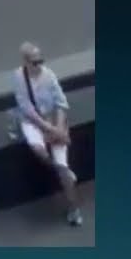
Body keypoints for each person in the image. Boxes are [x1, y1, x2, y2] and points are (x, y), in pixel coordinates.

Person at [13, 43, 83, 226]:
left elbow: (61, 103)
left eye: (40, 61)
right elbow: (27, 109)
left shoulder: (49, 75)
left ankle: (74, 209)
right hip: (34, 122)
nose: (39, 65)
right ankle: (62, 171)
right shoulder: (19, 77)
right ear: (26, 62)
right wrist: (49, 130)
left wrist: (58, 128)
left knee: (63, 167)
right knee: (39, 150)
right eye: (35, 62)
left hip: (53, 120)